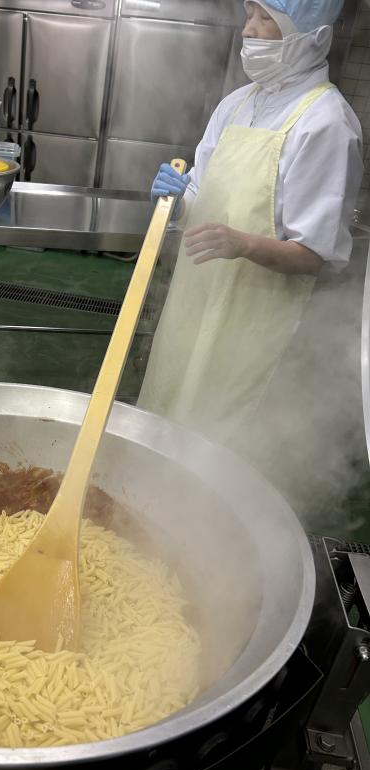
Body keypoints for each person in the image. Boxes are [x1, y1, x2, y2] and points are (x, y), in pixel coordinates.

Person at [138, 0, 363, 454]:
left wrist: (242, 244)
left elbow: (315, 254)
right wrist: (177, 206)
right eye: (248, 16)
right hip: (192, 302)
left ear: (312, 36)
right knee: (164, 417)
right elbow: (199, 193)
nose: (248, 31)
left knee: (217, 446)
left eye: (266, 20)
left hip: (253, 327)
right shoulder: (237, 104)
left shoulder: (327, 123)